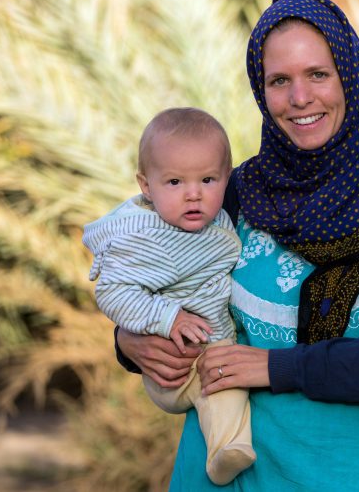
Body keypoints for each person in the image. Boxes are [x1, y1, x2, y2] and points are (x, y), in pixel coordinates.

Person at [116, 0, 359, 491]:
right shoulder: (231, 192)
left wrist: (278, 368)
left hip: (352, 476)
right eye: (279, 81)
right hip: (224, 476)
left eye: (318, 74)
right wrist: (130, 342)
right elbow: (150, 275)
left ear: (350, 75)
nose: (300, 98)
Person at [85, 107, 254, 485]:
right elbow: (112, 291)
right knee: (225, 382)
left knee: (223, 378)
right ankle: (226, 445)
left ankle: (227, 448)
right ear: (146, 186)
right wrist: (165, 319)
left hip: (209, 347)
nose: (193, 194)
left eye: (208, 180)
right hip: (176, 363)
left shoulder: (216, 223)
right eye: (175, 182)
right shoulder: (149, 238)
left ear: (228, 178)